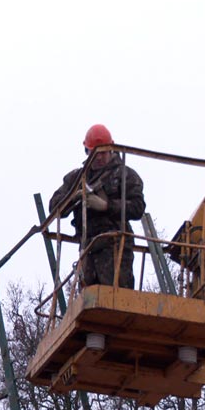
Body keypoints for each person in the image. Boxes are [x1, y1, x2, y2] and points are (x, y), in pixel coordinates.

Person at [48, 124, 145, 289]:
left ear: (111, 149)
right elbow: (54, 207)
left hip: (116, 250)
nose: (99, 157)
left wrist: (107, 206)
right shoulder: (77, 178)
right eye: (95, 153)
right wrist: (73, 196)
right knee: (89, 304)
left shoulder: (125, 175)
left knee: (117, 302)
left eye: (103, 152)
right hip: (88, 252)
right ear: (87, 151)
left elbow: (137, 208)